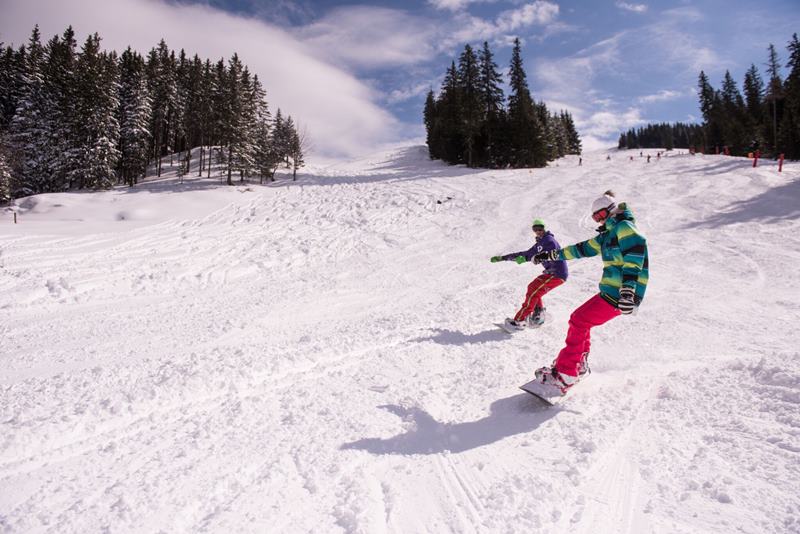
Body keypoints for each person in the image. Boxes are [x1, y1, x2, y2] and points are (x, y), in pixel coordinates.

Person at [530, 192, 649, 395]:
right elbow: (580, 249)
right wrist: (551, 254)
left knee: (579, 321)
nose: (600, 219)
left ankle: (567, 374)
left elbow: (635, 256)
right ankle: (577, 366)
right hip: (612, 291)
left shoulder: (624, 227)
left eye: (601, 214)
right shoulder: (607, 236)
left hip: (621, 293)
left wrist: (628, 291)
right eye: (595, 217)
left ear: (611, 210)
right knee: (580, 320)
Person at [490, 218, 568, 330]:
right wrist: (503, 258)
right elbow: (526, 254)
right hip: (550, 273)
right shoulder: (539, 244)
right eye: (535, 229)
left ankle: (519, 321)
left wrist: (538, 257)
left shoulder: (549, 240)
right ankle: (538, 315)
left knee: (534, 293)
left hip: (557, 273)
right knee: (532, 287)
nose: (538, 231)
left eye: (540, 228)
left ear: (544, 228)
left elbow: (553, 253)